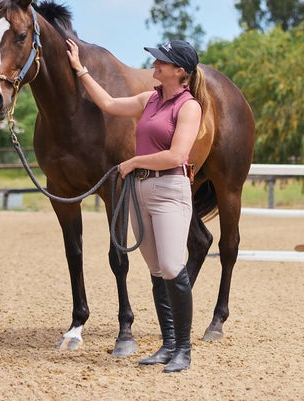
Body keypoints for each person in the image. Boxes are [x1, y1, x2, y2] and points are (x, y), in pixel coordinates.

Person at [66, 38, 209, 373]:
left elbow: (176, 155)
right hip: (141, 191)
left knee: (173, 267)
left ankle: (184, 349)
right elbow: (108, 103)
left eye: (161, 62)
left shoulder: (189, 107)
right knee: (157, 270)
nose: (154, 66)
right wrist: (80, 69)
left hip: (170, 188)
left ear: (180, 71)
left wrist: (132, 162)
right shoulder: (150, 100)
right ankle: (168, 344)